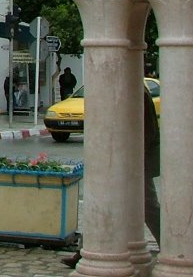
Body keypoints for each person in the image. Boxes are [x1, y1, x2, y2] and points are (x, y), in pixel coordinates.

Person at [61, 85, 161, 269]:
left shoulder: (138, 93)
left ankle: (171, 246)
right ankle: (85, 250)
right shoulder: (122, 90)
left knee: (148, 206)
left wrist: (133, 158)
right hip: (118, 160)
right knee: (101, 203)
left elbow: (147, 132)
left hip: (136, 162)